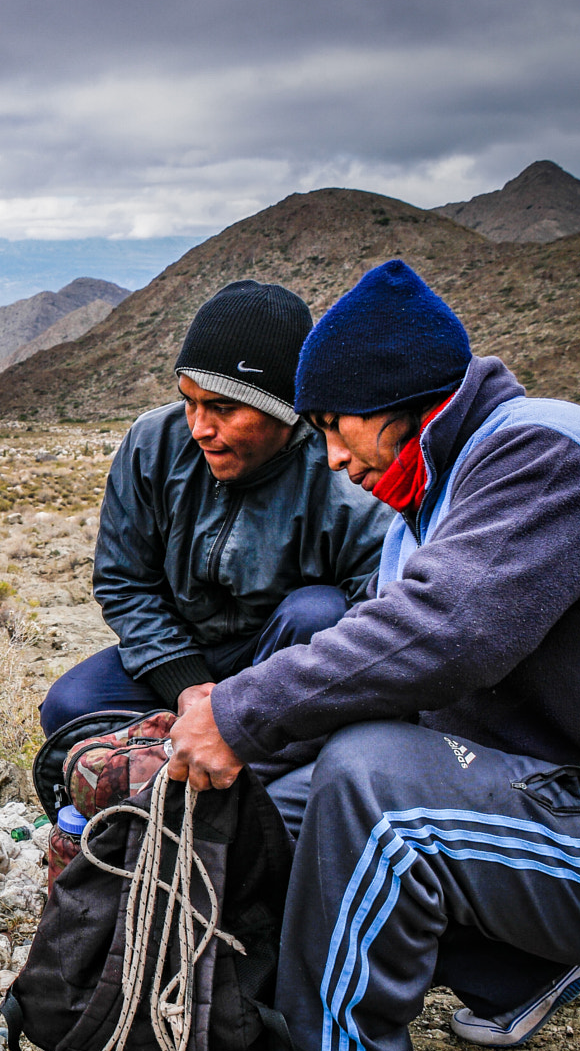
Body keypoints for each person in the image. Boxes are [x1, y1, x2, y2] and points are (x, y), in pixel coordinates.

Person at [162, 259, 580, 1051]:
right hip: (532, 802)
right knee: (292, 793)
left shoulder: (544, 453)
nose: (332, 456)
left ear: (395, 398)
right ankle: (520, 967)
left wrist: (240, 712)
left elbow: (445, 634)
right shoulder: (432, 500)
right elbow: (389, 682)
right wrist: (249, 753)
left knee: (370, 782)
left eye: (335, 425)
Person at [40, 280, 392, 745]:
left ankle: (264, 767)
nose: (200, 428)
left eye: (224, 408)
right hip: (182, 651)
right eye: (190, 401)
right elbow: (125, 581)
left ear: (284, 411)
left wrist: (245, 704)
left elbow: (379, 616)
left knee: (317, 612)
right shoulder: (153, 442)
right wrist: (184, 684)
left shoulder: (342, 479)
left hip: (287, 666)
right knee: (69, 709)